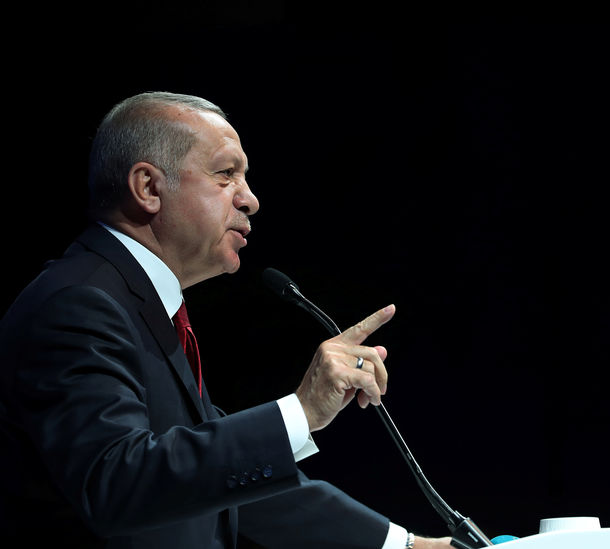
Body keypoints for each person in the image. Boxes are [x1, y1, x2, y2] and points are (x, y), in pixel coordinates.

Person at [0, 92, 452, 548]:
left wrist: (404, 545)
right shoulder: (78, 303)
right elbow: (118, 480)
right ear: (149, 188)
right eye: (226, 174)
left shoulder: (140, 303)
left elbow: (223, 484)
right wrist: (301, 410)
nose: (251, 200)